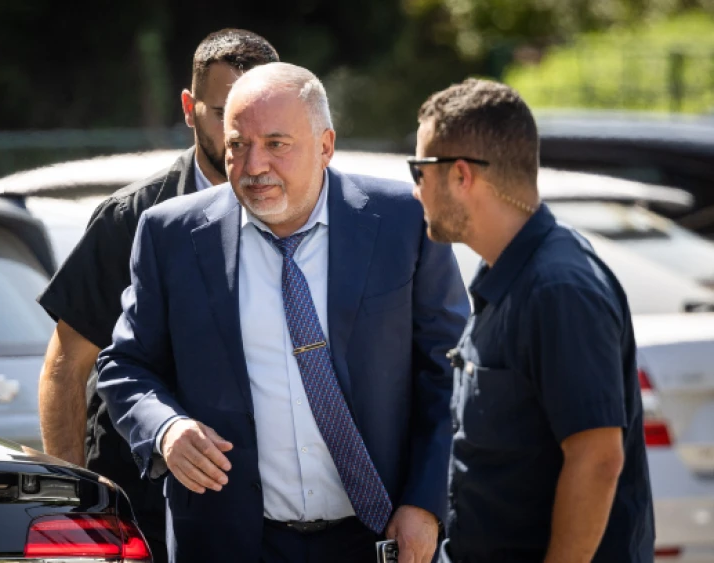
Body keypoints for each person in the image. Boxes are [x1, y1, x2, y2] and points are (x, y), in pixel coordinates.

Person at [96, 62, 470, 563]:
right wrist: (165, 429)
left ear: (325, 146)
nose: (253, 166)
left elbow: (449, 373)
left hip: (378, 537)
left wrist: (426, 504)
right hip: (228, 541)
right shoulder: (171, 236)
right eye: (237, 145)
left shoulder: (403, 221)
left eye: (276, 143)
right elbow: (124, 365)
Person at [35, 29, 279, 562]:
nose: (241, 132)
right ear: (189, 109)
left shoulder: (297, 212)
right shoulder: (132, 218)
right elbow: (65, 368)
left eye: (258, 115)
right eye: (223, 112)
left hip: (271, 514)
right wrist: (79, 510)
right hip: (140, 510)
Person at [410, 78, 655, 563]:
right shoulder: (504, 271)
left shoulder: (559, 288)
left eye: (420, 170)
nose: (416, 190)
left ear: (461, 175)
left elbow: (597, 459)